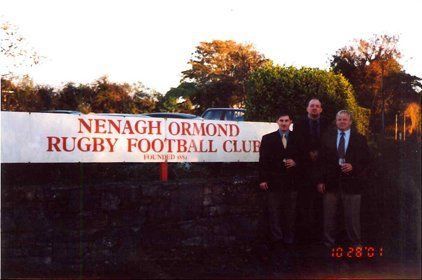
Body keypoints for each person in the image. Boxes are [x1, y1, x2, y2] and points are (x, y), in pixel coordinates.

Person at [316, 110, 371, 251]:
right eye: (339, 119)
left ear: (350, 122)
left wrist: (353, 166)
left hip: (352, 184)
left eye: (344, 119)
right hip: (330, 184)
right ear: (336, 121)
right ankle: (329, 245)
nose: (342, 122)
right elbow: (321, 162)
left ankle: (356, 245)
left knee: (353, 218)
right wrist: (320, 181)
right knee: (329, 217)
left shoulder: (360, 139)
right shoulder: (327, 138)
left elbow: (367, 162)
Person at [258, 110, 302, 272]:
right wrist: (262, 179)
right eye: (281, 120)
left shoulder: (298, 138)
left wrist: (295, 162)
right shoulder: (268, 139)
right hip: (274, 183)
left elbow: (304, 159)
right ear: (277, 122)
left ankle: (289, 241)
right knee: (274, 213)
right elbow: (263, 161)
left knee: (290, 213)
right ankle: (277, 241)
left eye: (286, 121)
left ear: (291, 122)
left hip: (291, 184)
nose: (284, 123)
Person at [294, 98, 331, 244]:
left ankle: (320, 236)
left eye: (317, 106)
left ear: (321, 109)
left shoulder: (328, 124)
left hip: (322, 170)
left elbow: (330, 144)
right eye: (312, 106)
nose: (314, 108)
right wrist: (308, 153)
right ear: (307, 109)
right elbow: (296, 144)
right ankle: (305, 238)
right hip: (304, 170)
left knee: (321, 205)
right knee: (304, 204)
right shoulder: (298, 124)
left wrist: (319, 153)